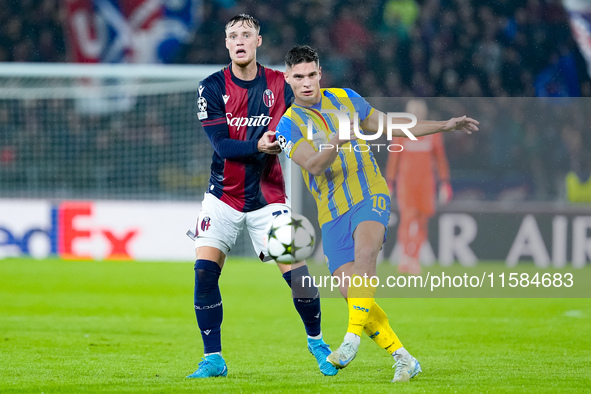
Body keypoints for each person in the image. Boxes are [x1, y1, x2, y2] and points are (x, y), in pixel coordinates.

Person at [275, 45, 478, 383]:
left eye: (312, 74)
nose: (307, 82)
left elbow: (389, 125)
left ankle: (350, 340)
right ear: (288, 78)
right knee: (351, 291)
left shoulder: (347, 99)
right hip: (332, 213)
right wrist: (337, 142)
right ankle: (403, 358)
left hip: (371, 193)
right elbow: (311, 163)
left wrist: (444, 125)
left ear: (320, 73)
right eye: (299, 77)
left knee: (366, 252)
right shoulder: (287, 126)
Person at [188, 16, 337, 378]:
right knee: (205, 274)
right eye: (233, 36)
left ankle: (317, 342)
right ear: (226, 44)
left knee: (298, 277)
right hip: (222, 197)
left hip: (269, 198)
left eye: (246, 35)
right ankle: (213, 358)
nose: (239, 41)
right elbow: (221, 145)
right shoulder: (210, 88)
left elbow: (307, 114)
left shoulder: (279, 85)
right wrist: (259, 144)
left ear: (258, 41)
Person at [385, 99, 452, 275]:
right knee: (407, 219)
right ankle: (406, 257)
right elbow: (394, 159)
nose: (415, 113)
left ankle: (414, 258)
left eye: (418, 110)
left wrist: (445, 183)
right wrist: (390, 182)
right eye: (412, 111)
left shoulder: (433, 132)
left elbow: (440, 159)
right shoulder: (400, 132)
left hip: (426, 184)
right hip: (406, 184)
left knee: (422, 221)